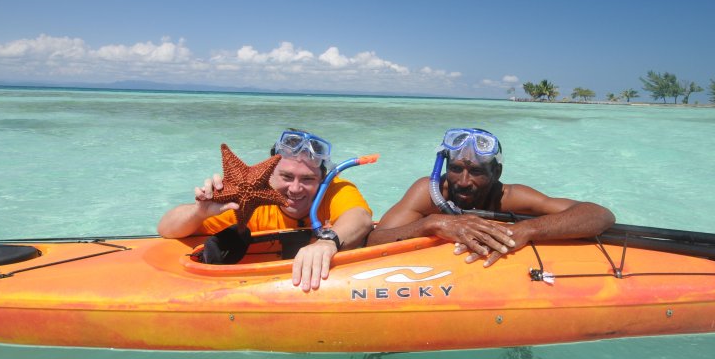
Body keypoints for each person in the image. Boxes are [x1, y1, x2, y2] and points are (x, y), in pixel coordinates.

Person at [158, 130, 373, 291]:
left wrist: (327, 242)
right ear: (269, 175)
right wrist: (200, 211)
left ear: (323, 179)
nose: (295, 189)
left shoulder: (334, 189)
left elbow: (361, 218)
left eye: (308, 179)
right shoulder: (249, 197)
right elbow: (166, 228)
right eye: (287, 177)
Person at [366, 128, 614, 266]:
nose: (463, 182)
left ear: (497, 172)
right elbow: (374, 240)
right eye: (455, 169)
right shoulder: (428, 193)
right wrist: (432, 223)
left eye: (476, 172)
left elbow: (599, 215)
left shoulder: (508, 197)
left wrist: (527, 229)